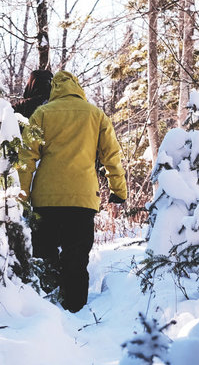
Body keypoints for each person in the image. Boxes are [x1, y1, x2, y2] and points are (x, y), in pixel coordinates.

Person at [18, 71, 127, 312]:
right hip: (82, 201)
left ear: (54, 89)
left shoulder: (42, 114)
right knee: (76, 258)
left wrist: (22, 197)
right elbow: (111, 156)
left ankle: (45, 311)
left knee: (45, 256)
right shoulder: (96, 115)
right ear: (77, 87)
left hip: (46, 201)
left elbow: (26, 158)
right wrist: (119, 190)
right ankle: (76, 308)